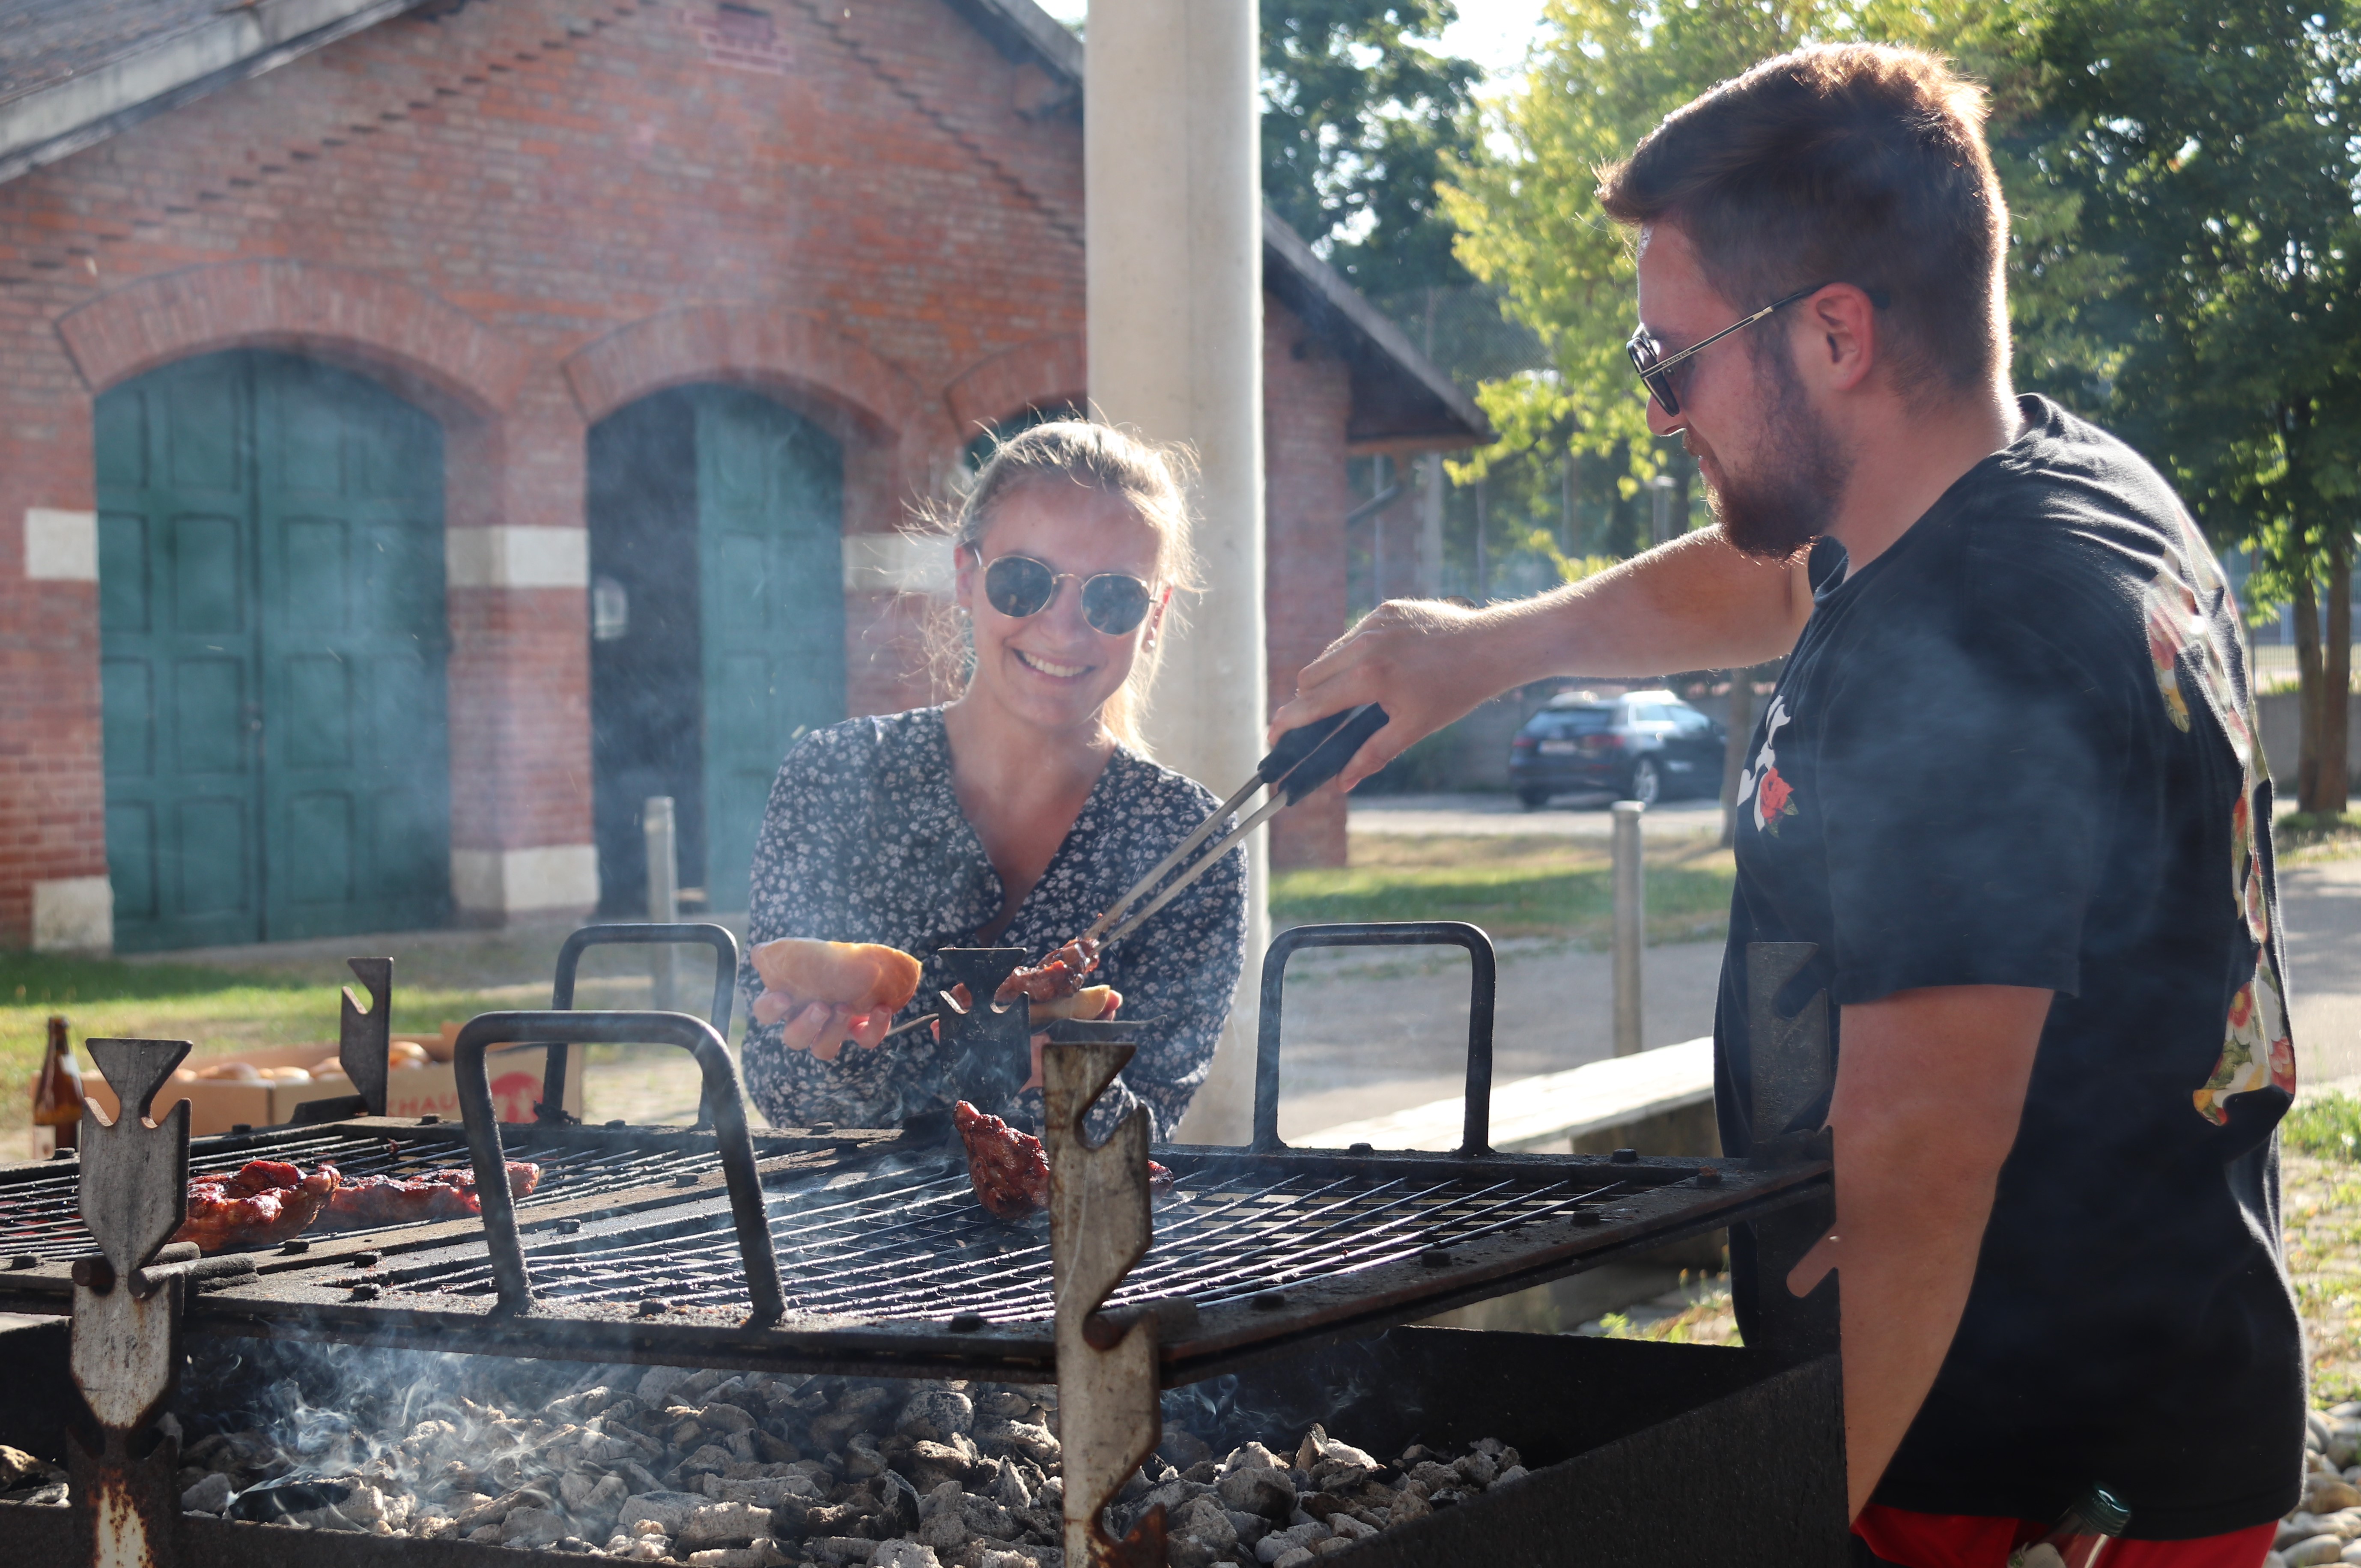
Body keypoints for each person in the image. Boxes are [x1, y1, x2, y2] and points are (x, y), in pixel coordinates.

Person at [1270, 44, 2298, 1568]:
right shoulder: (2042, 483)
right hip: (2135, 1376)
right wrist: (1487, 648)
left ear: (1833, 335)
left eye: (1667, 358)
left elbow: (1922, 1160)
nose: (1654, 412)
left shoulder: (1973, 647)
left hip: (2013, 1458)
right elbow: (1777, 573)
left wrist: (1781, 1531)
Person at [736, 420, 1247, 1140]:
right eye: (1023, 581)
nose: (1063, 629)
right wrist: (837, 1053)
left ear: (1154, 616)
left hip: (1064, 1248)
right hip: (841, 1238)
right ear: (967, 577)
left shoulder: (1186, 839)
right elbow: (780, 1091)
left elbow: (1147, 1127)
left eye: (1113, 598)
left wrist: (1071, 1083)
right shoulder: (834, 776)